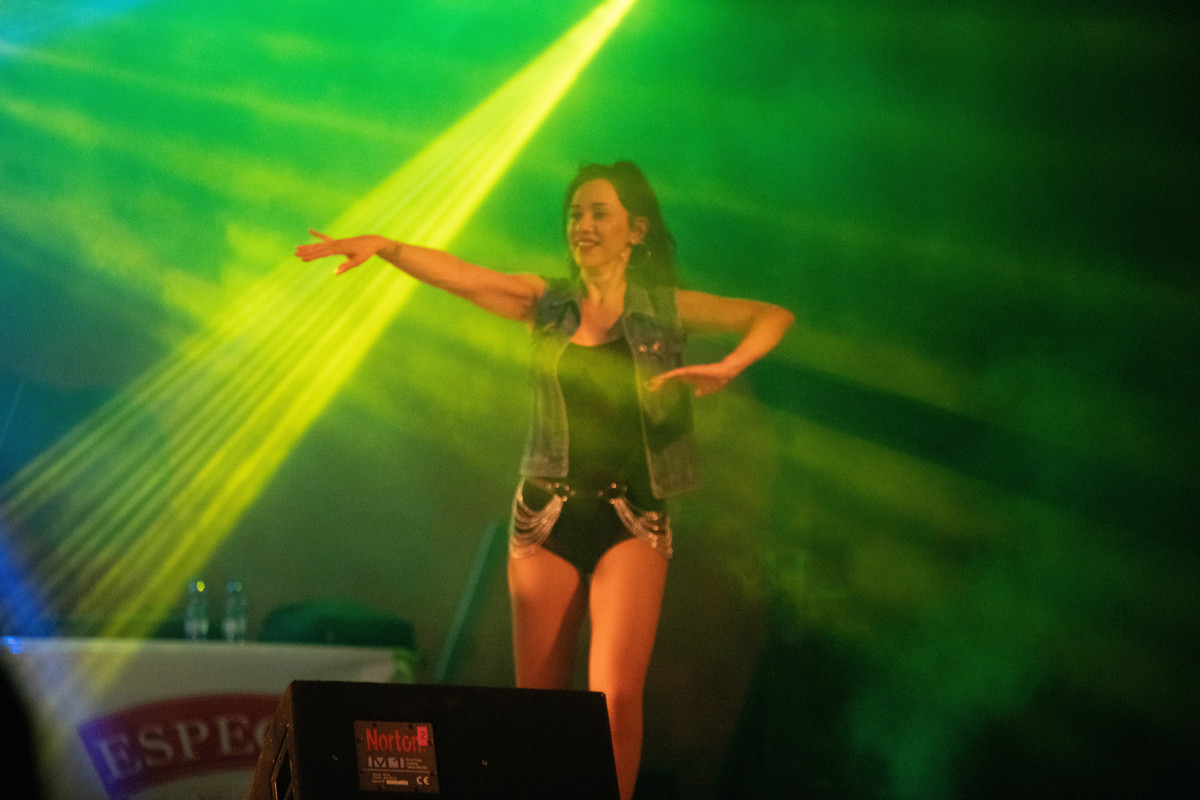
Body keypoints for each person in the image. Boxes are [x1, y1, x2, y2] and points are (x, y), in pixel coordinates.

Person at [296, 161, 793, 800]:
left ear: (636, 230)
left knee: (615, 699)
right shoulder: (546, 302)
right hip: (545, 516)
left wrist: (729, 367)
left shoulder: (665, 310)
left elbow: (771, 315)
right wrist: (389, 248)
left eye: (599, 213)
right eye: (575, 213)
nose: (583, 224)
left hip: (631, 517)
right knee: (539, 707)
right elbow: (464, 276)